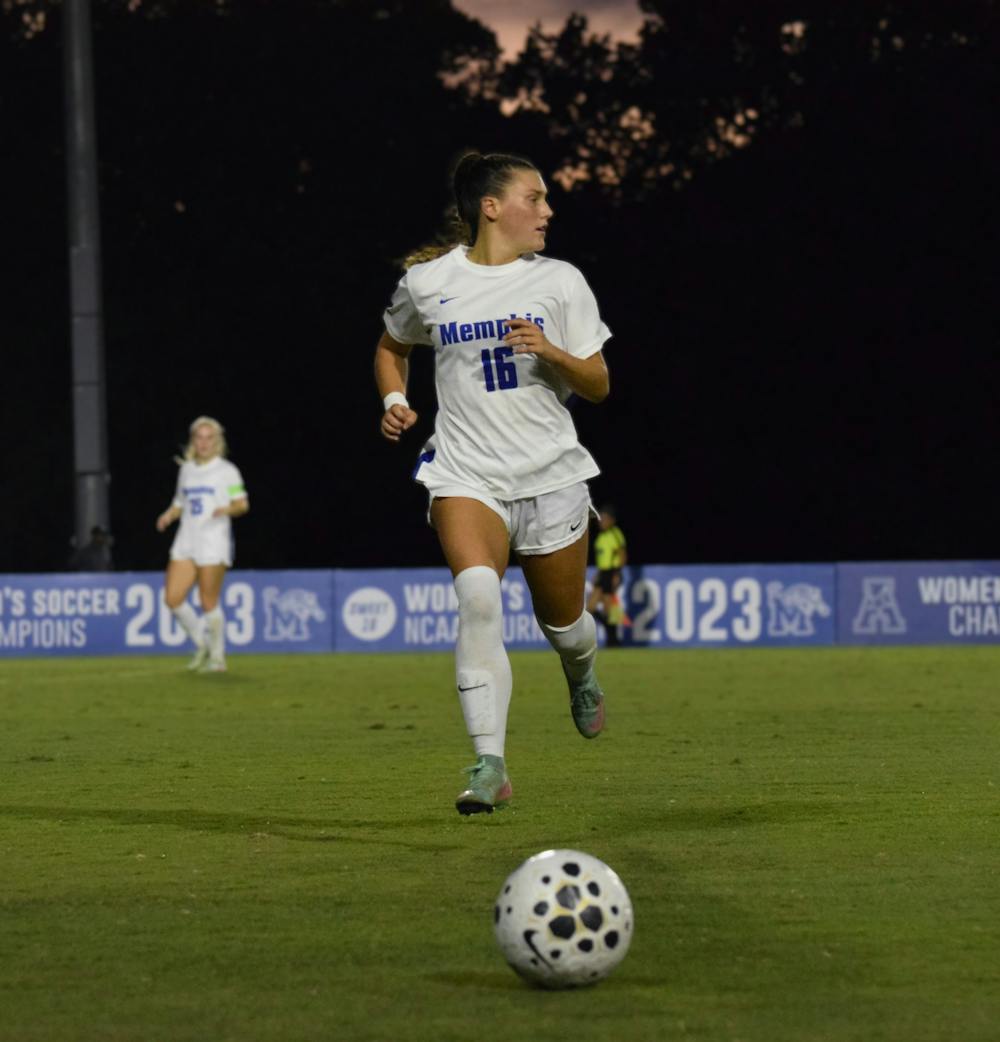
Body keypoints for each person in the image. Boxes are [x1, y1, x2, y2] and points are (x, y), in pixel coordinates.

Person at [375, 150, 613, 815]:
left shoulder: (561, 282)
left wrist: (553, 351)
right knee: (478, 596)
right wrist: (392, 400)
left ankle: (580, 670)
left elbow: (598, 385)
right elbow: (392, 345)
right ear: (491, 207)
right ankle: (490, 764)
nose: (547, 210)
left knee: (564, 625)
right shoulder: (427, 283)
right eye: (534, 198)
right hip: (465, 469)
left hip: (548, 474)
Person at [155, 416, 249, 672]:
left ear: (217, 441)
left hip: (213, 542)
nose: (204, 442)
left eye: (209, 438)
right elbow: (179, 503)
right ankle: (202, 642)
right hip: (186, 540)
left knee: (208, 600)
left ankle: (218, 658)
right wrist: (167, 516)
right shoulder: (187, 469)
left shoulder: (227, 470)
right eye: (199, 437)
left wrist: (226, 509)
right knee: (172, 598)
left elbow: (242, 504)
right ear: (193, 441)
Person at [587, 504, 629, 647]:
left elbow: (622, 555)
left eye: (604, 519)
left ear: (612, 520)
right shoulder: (601, 537)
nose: (601, 522)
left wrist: (616, 575)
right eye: (600, 519)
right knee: (591, 608)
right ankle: (613, 637)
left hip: (612, 572)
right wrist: (598, 574)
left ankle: (614, 640)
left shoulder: (615, 534)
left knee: (608, 607)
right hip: (603, 573)